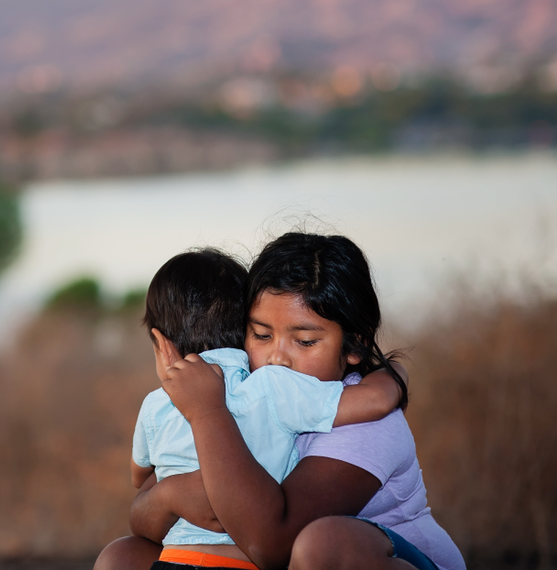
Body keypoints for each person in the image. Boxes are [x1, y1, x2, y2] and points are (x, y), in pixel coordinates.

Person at [97, 233, 464, 570]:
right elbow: (142, 511)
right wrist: (171, 495)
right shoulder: (246, 394)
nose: (277, 358)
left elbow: (271, 544)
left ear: (357, 344)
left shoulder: (366, 421)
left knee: (322, 545)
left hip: (385, 557)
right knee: (123, 557)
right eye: (260, 335)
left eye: (305, 341)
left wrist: (208, 414)